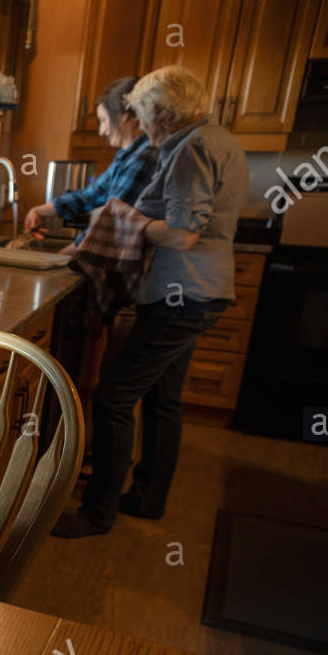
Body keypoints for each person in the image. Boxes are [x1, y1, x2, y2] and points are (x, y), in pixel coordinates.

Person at [52, 66, 249, 538]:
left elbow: (181, 234)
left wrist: (130, 224)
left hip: (182, 295)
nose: (142, 125)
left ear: (161, 110)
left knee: (114, 398)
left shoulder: (191, 148)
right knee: (163, 399)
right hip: (205, 291)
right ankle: (146, 499)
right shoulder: (218, 138)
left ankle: (98, 513)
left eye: (142, 114)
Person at [24, 76, 159, 252]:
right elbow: (92, 194)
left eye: (103, 120)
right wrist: (42, 210)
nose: (102, 130)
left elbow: (111, 220)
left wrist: (64, 254)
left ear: (126, 117)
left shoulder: (144, 158)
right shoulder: (127, 155)